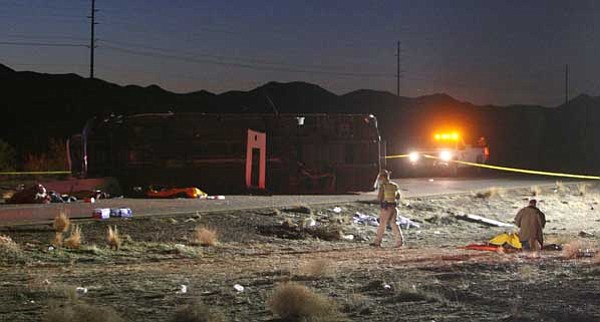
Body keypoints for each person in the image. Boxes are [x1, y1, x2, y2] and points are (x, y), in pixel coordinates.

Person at [371, 170, 404, 247]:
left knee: (382, 224)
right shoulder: (394, 185)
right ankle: (399, 241)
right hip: (394, 207)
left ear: (383, 177)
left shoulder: (383, 186)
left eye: (380, 177)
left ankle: (377, 241)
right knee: (394, 224)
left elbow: (379, 197)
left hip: (386, 207)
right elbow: (398, 196)